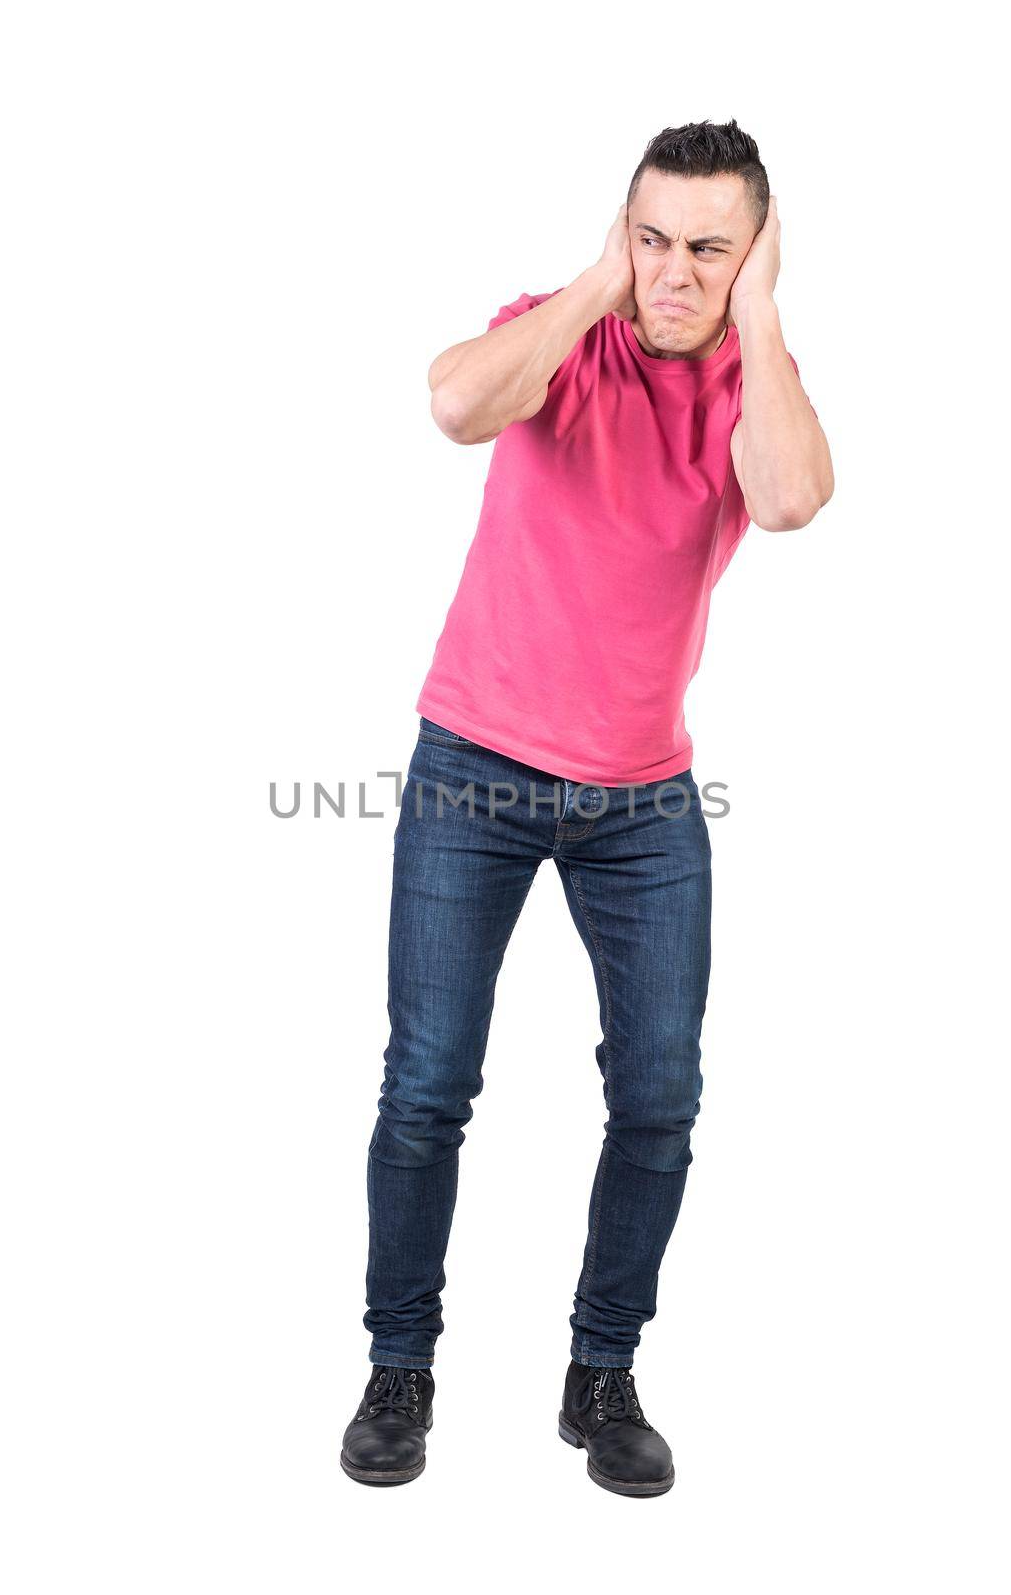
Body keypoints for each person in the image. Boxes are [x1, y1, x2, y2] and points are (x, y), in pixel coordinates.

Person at [340, 120, 834, 1495]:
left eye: (710, 250)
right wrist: (595, 290)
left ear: (751, 259)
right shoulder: (559, 338)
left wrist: (767, 316)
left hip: (643, 802)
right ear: (623, 235)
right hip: (475, 768)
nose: (676, 272)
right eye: (655, 238)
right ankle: (399, 1368)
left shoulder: (754, 383)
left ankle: (600, 1375)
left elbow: (791, 500)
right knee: (428, 1083)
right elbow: (454, 405)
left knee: (662, 1100)